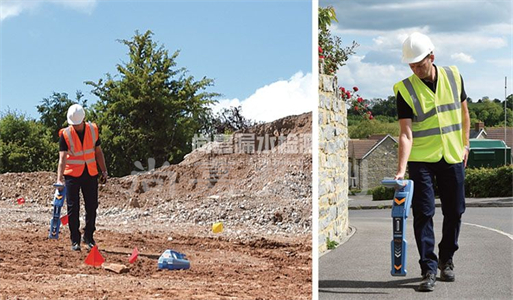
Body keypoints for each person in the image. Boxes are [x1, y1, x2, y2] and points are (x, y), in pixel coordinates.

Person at [393, 32, 470, 292]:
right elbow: (405, 133)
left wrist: (465, 144)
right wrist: (401, 170)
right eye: (411, 65)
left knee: (456, 210)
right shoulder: (404, 89)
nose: (415, 69)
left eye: (419, 64)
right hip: (421, 160)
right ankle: (428, 267)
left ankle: (446, 259)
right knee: (423, 213)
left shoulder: (454, 76)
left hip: (451, 154)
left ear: (432, 57)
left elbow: (464, 114)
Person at [56, 104, 108, 251]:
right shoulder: (65, 134)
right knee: (73, 208)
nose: (76, 126)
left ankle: (89, 237)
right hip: (72, 174)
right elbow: (62, 159)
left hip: (90, 173)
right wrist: (59, 179)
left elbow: (98, 152)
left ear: (83, 119)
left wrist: (104, 170)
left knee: (92, 206)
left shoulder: (93, 130)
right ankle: (75, 239)